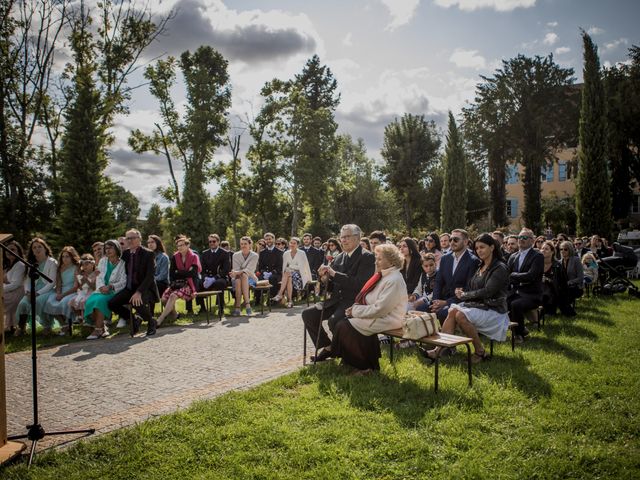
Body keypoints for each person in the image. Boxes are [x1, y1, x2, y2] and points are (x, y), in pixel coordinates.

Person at [421, 233, 510, 364]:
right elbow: (471, 286)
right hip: (479, 306)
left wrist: (465, 295)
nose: (479, 250)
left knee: (460, 315)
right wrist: (461, 291)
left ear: (492, 248)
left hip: (494, 310)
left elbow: (488, 291)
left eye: (482, 247)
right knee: (453, 311)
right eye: (477, 248)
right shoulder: (481, 265)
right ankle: (438, 350)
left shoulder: (499, 267)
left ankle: (480, 352)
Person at [302, 224, 375, 362]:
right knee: (308, 314)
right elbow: (331, 285)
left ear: (358, 238)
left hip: (353, 301)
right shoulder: (339, 257)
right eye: (342, 237)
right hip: (335, 300)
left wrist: (334, 274)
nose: (343, 240)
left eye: (347, 237)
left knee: (334, 321)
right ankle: (328, 346)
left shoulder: (367, 257)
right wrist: (324, 279)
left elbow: (360, 284)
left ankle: (342, 352)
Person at [330, 244, 407, 374]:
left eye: (380, 259)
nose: (376, 261)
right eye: (376, 258)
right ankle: (354, 362)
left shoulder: (393, 279)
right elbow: (369, 299)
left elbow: (380, 309)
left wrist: (356, 311)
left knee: (344, 326)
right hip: (377, 314)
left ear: (391, 261)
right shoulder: (383, 275)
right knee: (344, 323)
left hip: (389, 318)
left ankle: (365, 367)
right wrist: (355, 309)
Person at [108, 229, 159, 336]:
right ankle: (134, 320)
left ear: (140, 239)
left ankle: (151, 322)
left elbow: (150, 276)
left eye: (133, 238)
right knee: (112, 303)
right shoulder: (125, 254)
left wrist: (139, 292)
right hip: (129, 287)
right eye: (128, 238)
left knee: (135, 301)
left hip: (145, 288)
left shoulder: (148, 254)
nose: (130, 240)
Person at [430, 229, 480, 322]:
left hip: (461, 301)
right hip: (442, 298)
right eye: (451, 239)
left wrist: (446, 303)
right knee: (422, 307)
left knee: (443, 312)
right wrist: (435, 301)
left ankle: (446, 335)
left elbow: (469, 288)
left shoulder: (473, 261)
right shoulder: (445, 258)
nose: (452, 242)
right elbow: (438, 281)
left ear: (465, 242)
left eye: (456, 240)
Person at [507, 228, 544, 342]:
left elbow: (531, 276)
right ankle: (521, 329)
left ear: (532, 241)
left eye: (524, 237)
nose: (520, 240)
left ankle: (519, 335)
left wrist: (513, 275)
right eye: (519, 237)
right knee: (501, 302)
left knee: (515, 304)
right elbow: (506, 275)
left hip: (531, 294)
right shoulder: (513, 256)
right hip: (515, 292)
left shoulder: (537, 256)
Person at [84, 240, 126, 339]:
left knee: (99, 301)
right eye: (106, 248)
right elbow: (99, 277)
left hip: (114, 291)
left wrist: (111, 287)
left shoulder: (123, 263)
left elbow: (124, 281)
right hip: (101, 290)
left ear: (117, 248)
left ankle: (98, 330)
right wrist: (102, 287)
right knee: (90, 301)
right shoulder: (103, 261)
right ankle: (102, 328)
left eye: (110, 248)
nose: (108, 250)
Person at [157, 235, 202, 326]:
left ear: (188, 245)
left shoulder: (194, 256)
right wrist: (184, 272)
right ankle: (175, 315)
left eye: (182, 245)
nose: (180, 247)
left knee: (173, 296)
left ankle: (159, 320)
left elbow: (193, 274)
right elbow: (172, 273)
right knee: (163, 299)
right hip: (177, 283)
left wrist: (179, 272)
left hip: (191, 284)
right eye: (178, 246)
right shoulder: (175, 256)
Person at [16, 237, 57, 335]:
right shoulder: (30, 263)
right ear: (32, 251)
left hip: (47, 290)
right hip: (32, 290)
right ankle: (21, 327)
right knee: (23, 304)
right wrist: (27, 292)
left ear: (45, 248)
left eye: (39, 246)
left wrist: (37, 293)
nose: (37, 249)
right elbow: (27, 280)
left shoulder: (52, 262)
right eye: (34, 247)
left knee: (37, 302)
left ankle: (47, 326)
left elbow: (52, 282)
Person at [44, 246, 81, 335]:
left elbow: (76, 286)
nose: (65, 259)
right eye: (63, 256)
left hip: (72, 291)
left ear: (72, 257)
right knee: (49, 302)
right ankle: (64, 325)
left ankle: (69, 324)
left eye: (67, 256)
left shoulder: (76, 267)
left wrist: (63, 295)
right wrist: (58, 293)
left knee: (64, 302)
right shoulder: (60, 268)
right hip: (62, 291)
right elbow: (59, 284)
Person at [272, 237, 312, 308]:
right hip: (288, 276)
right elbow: (284, 268)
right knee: (288, 276)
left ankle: (280, 294)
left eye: (294, 243)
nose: (292, 244)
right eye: (291, 243)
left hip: (300, 276)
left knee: (288, 274)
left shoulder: (302, 253)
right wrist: (291, 268)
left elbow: (301, 267)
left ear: (298, 245)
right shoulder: (286, 253)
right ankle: (290, 301)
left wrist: (290, 266)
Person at [199, 233, 230, 314]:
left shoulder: (224, 253)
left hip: (221, 277)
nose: (212, 243)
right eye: (210, 242)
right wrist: (205, 277)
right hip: (208, 277)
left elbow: (226, 269)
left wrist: (214, 278)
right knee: (198, 283)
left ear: (218, 242)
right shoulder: (205, 253)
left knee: (219, 283)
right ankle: (202, 308)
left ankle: (221, 308)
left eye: (214, 241)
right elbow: (202, 269)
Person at [230, 236, 259, 316]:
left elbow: (249, 270)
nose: (243, 246)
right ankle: (246, 305)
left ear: (250, 245)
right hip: (237, 278)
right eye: (241, 244)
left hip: (251, 278)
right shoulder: (235, 255)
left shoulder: (255, 255)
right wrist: (238, 272)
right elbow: (235, 269)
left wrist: (238, 272)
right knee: (239, 279)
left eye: (245, 244)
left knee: (244, 276)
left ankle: (239, 307)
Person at [3, 240, 26, 334]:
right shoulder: (7, 265)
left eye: (13, 249)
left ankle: (10, 327)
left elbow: (15, 284)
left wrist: (1, 288)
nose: (9, 251)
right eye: (7, 250)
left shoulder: (20, 265)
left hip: (17, 292)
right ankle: (9, 327)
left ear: (18, 252)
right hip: (8, 291)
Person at [558, 240, 583, 316]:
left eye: (565, 249)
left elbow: (581, 277)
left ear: (570, 250)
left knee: (563, 294)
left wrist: (569, 282)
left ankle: (569, 312)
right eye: (561, 249)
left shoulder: (576, 260)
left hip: (576, 287)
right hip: (563, 287)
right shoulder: (559, 262)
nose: (563, 251)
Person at [69, 254, 98, 322]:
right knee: (72, 301)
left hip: (92, 292)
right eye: (83, 265)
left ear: (93, 264)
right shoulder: (82, 274)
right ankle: (79, 316)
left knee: (84, 301)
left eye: (87, 264)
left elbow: (94, 287)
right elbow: (81, 287)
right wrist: (81, 281)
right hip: (83, 292)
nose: (84, 266)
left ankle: (87, 317)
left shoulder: (95, 273)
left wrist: (87, 281)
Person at [147, 235, 170, 316]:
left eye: (152, 242)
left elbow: (163, 276)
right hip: (150, 283)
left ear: (157, 243)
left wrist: (150, 280)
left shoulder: (164, 257)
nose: (150, 244)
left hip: (162, 284)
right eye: (148, 242)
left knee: (151, 287)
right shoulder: (146, 257)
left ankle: (150, 314)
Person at [257, 232, 284, 298]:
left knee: (272, 278)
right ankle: (258, 299)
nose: (268, 241)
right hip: (265, 272)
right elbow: (260, 267)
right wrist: (264, 272)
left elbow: (280, 267)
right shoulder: (262, 252)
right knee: (258, 278)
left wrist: (271, 273)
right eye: (266, 239)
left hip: (276, 274)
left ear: (274, 240)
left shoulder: (280, 252)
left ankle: (272, 298)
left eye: (270, 239)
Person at [540, 240, 562, 315]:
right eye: (542, 248)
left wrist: (548, 280)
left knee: (546, 291)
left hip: (553, 290)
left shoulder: (557, 265)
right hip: (539, 287)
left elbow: (560, 283)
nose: (543, 250)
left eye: (546, 249)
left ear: (552, 252)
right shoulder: (537, 263)